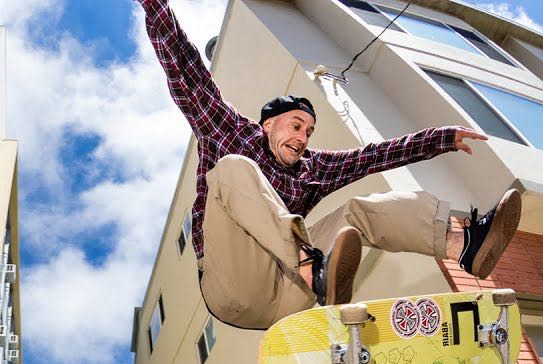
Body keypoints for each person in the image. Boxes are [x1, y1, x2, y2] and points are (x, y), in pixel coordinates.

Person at [137, 0, 522, 329]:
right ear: (267, 124)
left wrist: (441, 138)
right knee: (232, 168)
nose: (302, 138)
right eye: (295, 126)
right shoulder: (227, 131)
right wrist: (156, 5)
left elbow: (374, 156)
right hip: (233, 287)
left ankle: (464, 245)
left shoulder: (312, 168)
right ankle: (312, 268)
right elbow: (186, 69)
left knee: (360, 212)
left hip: (291, 291)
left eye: (308, 131)